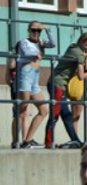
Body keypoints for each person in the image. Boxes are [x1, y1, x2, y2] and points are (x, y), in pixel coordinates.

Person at [45, 34, 87, 149]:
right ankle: (48, 143)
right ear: (81, 41)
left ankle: (76, 140)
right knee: (55, 114)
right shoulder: (77, 52)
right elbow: (81, 75)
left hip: (60, 86)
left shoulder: (73, 47)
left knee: (67, 115)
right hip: (57, 85)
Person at [12, 21, 55, 149]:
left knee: (44, 110)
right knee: (22, 110)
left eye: (38, 30)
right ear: (29, 30)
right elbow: (25, 52)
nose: (36, 33)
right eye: (33, 30)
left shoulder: (40, 42)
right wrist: (37, 53)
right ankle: (15, 141)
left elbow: (53, 44)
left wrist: (47, 29)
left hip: (35, 76)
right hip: (25, 74)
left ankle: (27, 140)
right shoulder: (24, 42)